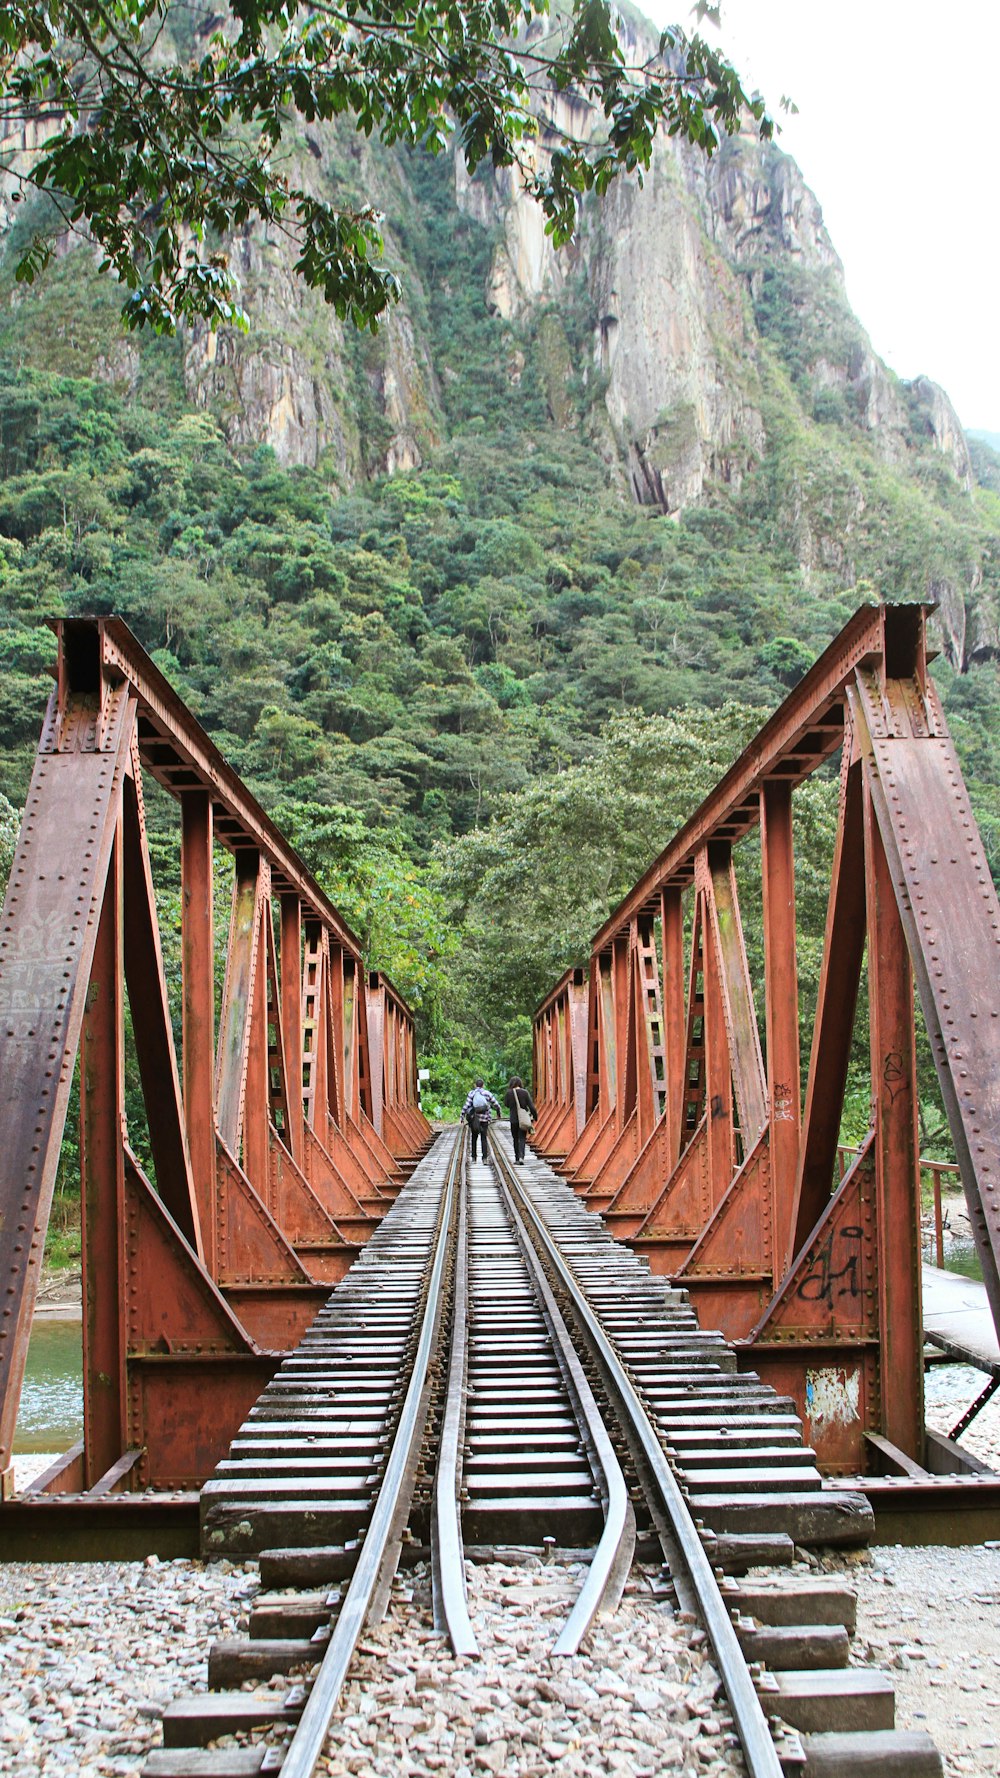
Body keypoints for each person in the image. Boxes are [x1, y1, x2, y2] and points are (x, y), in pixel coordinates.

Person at [462, 1077, 501, 1162]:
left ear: (475, 1085)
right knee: (484, 1137)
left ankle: (474, 1158)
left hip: (474, 1119)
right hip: (485, 1119)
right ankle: (484, 1158)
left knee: (474, 1137)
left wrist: (462, 1116)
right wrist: (498, 1113)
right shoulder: (487, 1093)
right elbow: (496, 1104)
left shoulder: (472, 1093)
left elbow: (466, 1105)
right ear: (483, 1085)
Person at [505, 1075, 537, 1164]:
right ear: (520, 1083)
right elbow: (531, 1107)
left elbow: (506, 1104)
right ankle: (522, 1157)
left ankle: (517, 1158)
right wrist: (535, 1117)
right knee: (522, 1138)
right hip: (523, 1119)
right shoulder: (525, 1093)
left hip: (513, 1119)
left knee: (515, 1138)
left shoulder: (509, 1093)